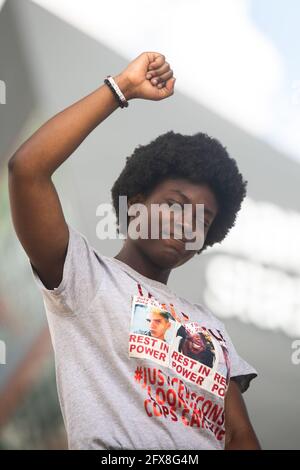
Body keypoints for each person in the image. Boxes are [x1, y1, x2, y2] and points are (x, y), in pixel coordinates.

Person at [8, 51, 261, 450]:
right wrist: (121, 88)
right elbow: (27, 170)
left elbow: (240, 436)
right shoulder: (83, 277)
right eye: (176, 204)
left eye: (203, 219)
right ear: (137, 203)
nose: (186, 224)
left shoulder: (213, 329)